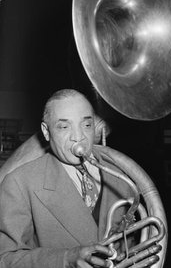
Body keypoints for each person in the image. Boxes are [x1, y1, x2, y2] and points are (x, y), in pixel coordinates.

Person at [0, 89, 160, 268]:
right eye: (64, 126)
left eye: (86, 125)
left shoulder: (121, 177)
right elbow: (6, 259)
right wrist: (66, 259)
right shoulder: (19, 183)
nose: (78, 137)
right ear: (46, 132)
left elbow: (130, 242)